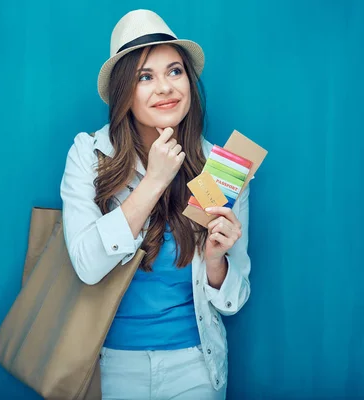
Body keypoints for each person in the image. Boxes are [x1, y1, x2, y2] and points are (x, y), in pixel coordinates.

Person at [60, 9, 252, 400]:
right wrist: (155, 181)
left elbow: (233, 300)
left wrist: (217, 261)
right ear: (123, 93)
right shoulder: (89, 152)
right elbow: (87, 267)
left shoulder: (221, 167)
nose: (165, 87)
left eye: (175, 71)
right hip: (110, 364)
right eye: (145, 77)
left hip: (196, 365)